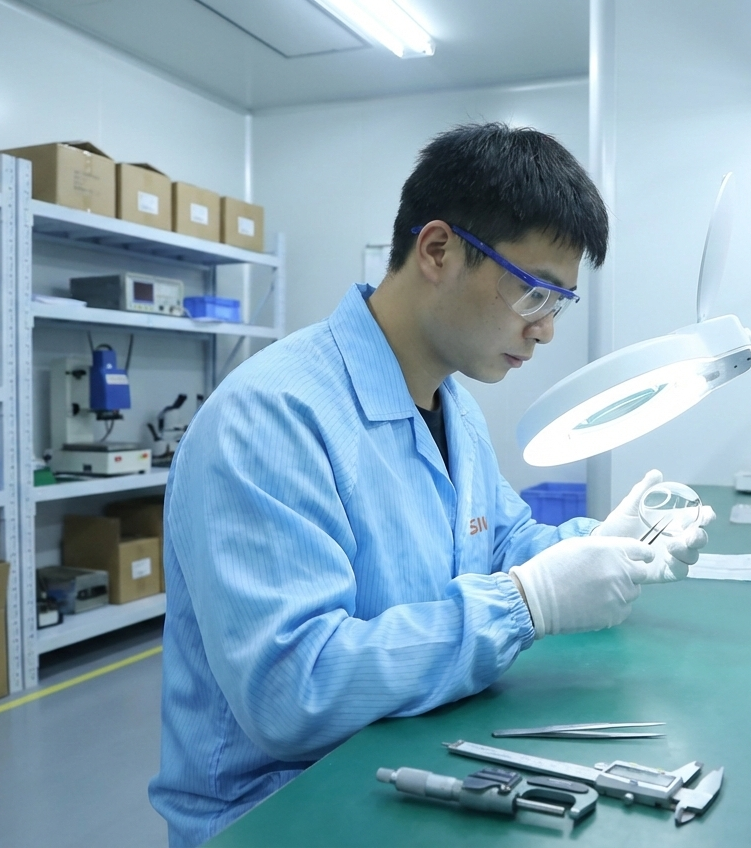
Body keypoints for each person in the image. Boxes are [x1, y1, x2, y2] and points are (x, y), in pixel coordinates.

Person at [148, 122, 715, 846]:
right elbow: (294, 690)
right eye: (535, 293)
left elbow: (502, 541)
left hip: (406, 759)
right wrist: (527, 603)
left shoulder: (453, 406)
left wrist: (607, 545)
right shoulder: (270, 419)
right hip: (280, 811)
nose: (544, 332)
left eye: (559, 305)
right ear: (439, 250)